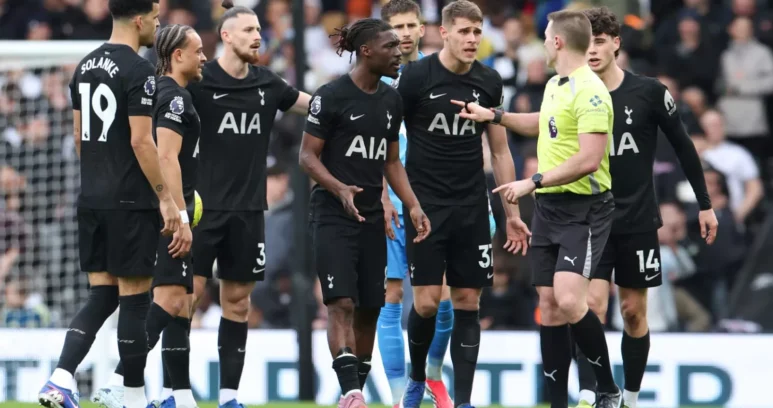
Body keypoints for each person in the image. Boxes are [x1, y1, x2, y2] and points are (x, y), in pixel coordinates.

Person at [95, 2, 312, 407]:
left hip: (248, 211)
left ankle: (228, 397)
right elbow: (158, 130)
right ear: (226, 35)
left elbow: (312, 105)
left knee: (238, 302)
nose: (257, 36)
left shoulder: (268, 83)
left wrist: (356, 101)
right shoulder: (194, 81)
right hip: (197, 210)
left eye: (259, 29)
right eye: (248, 29)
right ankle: (168, 391)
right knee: (182, 300)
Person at [454, 10, 623, 408]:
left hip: (584, 208)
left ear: (559, 42)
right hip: (550, 208)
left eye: (547, 37)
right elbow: (542, 122)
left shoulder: (591, 91)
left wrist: (532, 181)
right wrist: (494, 116)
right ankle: (557, 402)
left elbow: (589, 159)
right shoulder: (554, 85)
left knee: (569, 300)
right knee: (548, 306)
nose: (544, 42)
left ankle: (607, 388)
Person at [568, 8, 718, 408]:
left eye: (600, 41)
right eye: (586, 43)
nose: (592, 50)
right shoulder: (569, 92)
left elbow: (684, 147)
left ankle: (630, 399)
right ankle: (593, 394)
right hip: (590, 220)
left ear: (616, 43)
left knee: (633, 312)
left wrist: (705, 205)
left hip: (636, 220)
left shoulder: (649, 92)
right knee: (590, 307)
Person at [38, 1, 181, 408]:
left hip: (92, 199)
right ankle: (131, 397)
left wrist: (100, 177)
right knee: (135, 300)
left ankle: (60, 379)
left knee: (101, 296)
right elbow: (141, 141)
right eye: (155, 19)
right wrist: (165, 197)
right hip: (130, 202)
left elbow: (79, 135)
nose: (157, 26)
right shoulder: (140, 71)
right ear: (138, 20)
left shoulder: (84, 66)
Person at [392, 1, 530, 407]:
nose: (472, 39)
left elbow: (500, 151)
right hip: (425, 206)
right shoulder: (415, 77)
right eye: (464, 31)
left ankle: (465, 400)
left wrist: (511, 213)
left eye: (477, 31)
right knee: (426, 302)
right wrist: (393, 198)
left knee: (468, 300)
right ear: (444, 33)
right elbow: (388, 143)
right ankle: (418, 379)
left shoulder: (489, 80)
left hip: (471, 204)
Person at [300, 17, 430, 408]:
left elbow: (391, 162)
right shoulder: (331, 96)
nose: (399, 52)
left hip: (374, 217)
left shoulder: (392, 100)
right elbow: (307, 156)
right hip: (332, 215)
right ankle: (352, 392)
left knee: (371, 308)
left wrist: (413, 204)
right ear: (366, 51)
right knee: (341, 303)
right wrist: (338, 188)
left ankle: (353, 392)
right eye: (390, 46)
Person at [91, 24, 208, 408]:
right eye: (198, 51)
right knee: (171, 300)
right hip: (169, 215)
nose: (204, 57)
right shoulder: (173, 97)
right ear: (178, 55)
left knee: (182, 302)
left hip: (160, 209)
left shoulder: (161, 92)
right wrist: (180, 216)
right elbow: (166, 157)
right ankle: (118, 381)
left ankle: (180, 396)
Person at [374, 1, 451, 407]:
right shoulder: (373, 79)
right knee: (391, 294)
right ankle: (398, 395)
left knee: (443, 298)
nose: (404, 33)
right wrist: (381, 196)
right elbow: (368, 146)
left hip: (436, 198)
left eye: (410, 25)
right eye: (396, 26)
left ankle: (433, 377)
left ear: (423, 29)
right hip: (390, 202)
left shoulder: (441, 73)